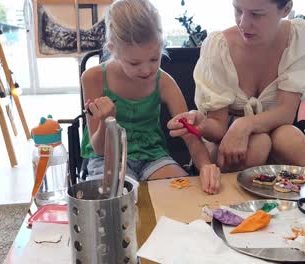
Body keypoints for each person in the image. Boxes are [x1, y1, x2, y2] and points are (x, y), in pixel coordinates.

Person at [80, 0, 221, 194]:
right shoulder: (93, 78)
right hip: (108, 157)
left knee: (181, 192)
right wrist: (106, 121)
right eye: (135, 62)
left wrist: (206, 165)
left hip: (152, 156)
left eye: (154, 58)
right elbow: (100, 150)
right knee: (118, 198)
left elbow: (188, 133)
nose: (147, 70)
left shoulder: (164, 82)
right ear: (113, 49)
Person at [168, 0, 305, 172]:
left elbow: (287, 112)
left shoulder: (297, 36)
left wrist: (245, 125)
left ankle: (298, 196)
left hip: (276, 127)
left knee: (292, 141)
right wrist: (202, 125)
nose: (243, 23)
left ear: (286, 9)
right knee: (257, 145)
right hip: (227, 137)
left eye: (257, 14)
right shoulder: (219, 46)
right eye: (238, 10)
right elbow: (218, 127)